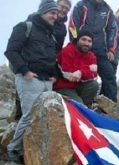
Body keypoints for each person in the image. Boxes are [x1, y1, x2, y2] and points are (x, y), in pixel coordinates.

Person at [4, 0, 59, 162]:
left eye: (56, 13)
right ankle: (14, 150)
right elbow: (11, 51)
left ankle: (34, 149)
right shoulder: (24, 27)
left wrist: (54, 75)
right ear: (42, 12)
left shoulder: (51, 34)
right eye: (52, 13)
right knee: (29, 116)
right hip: (29, 79)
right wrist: (25, 71)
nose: (55, 16)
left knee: (44, 117)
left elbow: (52, 59)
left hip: (47, 81)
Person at [69, 0, 118, 102]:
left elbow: (113, 30)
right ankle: (77, 106)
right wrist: (75, 42)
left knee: (110, 77)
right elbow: (72, 25)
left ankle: (109, 109)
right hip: (81, 50)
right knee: (77, 77)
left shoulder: (108, 10)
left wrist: (111, 50)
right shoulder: (81, 5)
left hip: (100, 51)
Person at [53, 30, 99, 107]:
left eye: (89, 41)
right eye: (83, 39)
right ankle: (82, 109)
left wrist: (80, 72)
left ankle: (86, 107)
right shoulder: (67, 51)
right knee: (79, 106)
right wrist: (87, 69)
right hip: (63, 87)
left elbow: (94, 76)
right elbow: (68, 75)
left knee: (94, 84)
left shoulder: (92, 56)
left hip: (78, 86)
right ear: (77, 40)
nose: (86, 43)